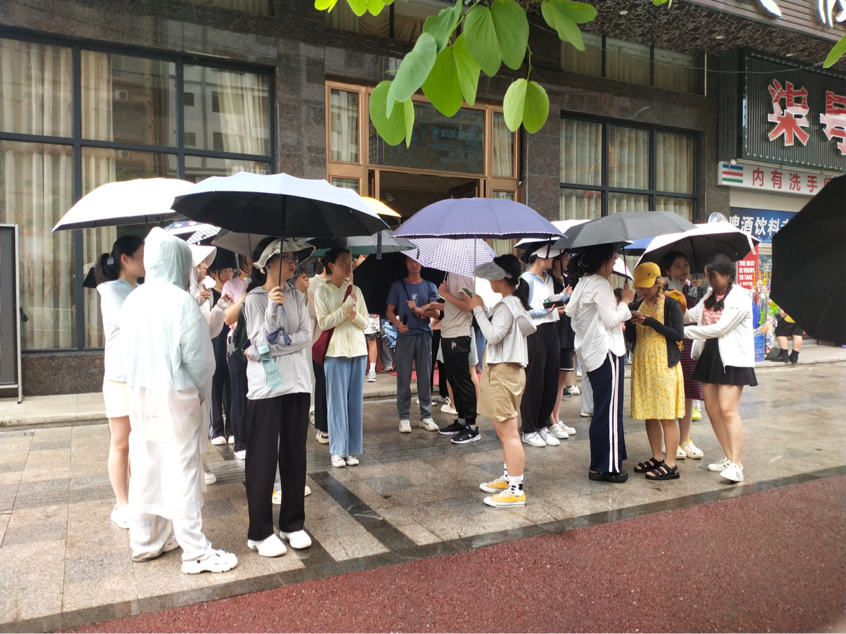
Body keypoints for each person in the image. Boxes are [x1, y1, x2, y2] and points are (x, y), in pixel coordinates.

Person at [121, 228, 237, 574]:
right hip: (178, 395)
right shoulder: (181, 301)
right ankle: (195, 550)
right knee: (183, 469)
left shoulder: (133, 300)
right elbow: (200, 361)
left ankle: (146, 541)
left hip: (140, 393)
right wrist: (199, 393)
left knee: (146, 464)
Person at [241, 238, 313, 557]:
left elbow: (306, 335)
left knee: (295, 455)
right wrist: (272, 309)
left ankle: (292, 524)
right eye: (288, 258)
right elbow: (259, 346)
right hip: (267, 388)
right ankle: (259, 531)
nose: (294, 263)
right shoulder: (255, 299)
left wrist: (279, 342)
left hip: (297, 384)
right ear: (269, 263)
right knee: (263, 458)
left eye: (295, 258)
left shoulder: (296, 294)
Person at [684, 254, 757, 483]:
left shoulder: (739, 296)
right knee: (713, 409)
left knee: (727, 409)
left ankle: (737, 464)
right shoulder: (710, 295)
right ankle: (728, 457)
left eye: (712, 277)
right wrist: (671, 303)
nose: (709, 281)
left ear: (727, 274)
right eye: (707, 277)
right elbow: (691, 315)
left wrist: (682, 332)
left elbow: (720, 328)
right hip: (710, 355)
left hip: (732, 358)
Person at [470, 256, 536, 508]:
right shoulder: (513, 302)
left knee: (509, 435)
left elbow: (494, 335)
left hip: (503, 373)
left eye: (491, 276)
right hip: (509, 372)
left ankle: (516, 490)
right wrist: (484, 310)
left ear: (500, 277)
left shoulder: (508, 304)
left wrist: (477, 309)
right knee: (507, 432)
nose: (488, 280)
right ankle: (510, 479)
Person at [566, 244, 634, 483]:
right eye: (613, 256)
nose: (615, 260)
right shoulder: (600, 284)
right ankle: (606, 467)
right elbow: (612, 319)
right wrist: (626, 301)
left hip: (593, 354)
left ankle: (610, 458)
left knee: (604, 409)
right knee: (609, 411)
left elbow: (577, 315)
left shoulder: (582, 283)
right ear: (603, 260)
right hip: (608, 352)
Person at [95, 235, 145, 529]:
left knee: (138, 441)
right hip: (119, 377)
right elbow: (135, 324)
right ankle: (121, 504)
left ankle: (137, 498)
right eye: (142, 255)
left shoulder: (138, 289)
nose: (147, 261)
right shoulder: (112, 290)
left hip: (139, 375)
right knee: (121, 441)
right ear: (125, 259)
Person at [627, 263, 685, 481]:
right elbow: (631, 338)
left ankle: (671, 464)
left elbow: (678, 334)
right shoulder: (637, 305)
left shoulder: (671, 304)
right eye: (640, 287)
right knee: (649, 414)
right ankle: (657, 456)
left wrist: (651, 322)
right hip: (643, 364)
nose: (644, 291)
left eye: (648, 286)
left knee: (666, 416)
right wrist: (629, 322)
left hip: (664, 366)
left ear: (658, 283)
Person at [314, 248, 369, 468]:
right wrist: (345, 308)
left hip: (358, 350)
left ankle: (352, 449)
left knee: (355, 403)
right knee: (336, 403)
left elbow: (366, 323)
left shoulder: (356, 290)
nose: (348, 266)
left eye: (350, 262)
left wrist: (354, 316)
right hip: (335, 352)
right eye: (343, 262)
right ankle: (337, 450)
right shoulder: (322, 291)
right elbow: (324, 322)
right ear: (331, 266)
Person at [386, 254, 441, 433]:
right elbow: (389, 311)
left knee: (425, 375)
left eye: (416, 260)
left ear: (421, 263)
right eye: (410, 261)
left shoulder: (430, 286)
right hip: (405, 335)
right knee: (403, 376)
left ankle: (426, 415)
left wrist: (419, 310)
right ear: (405, 263)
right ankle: (404, 417)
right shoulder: (397, 286)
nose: (413, 264)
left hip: (424, 334)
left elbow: (436, 313)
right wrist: (397, 324)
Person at [519, 246, 567, 448]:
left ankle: (541, 425)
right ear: (540, 256)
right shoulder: (525, 279)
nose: (554, 260)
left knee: (550, 380)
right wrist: (546, 311)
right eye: (552, 257)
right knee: (534, 381)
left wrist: (559, 301)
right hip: (535, 332)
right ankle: (528, 429)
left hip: (551, 329)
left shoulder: (548, 279)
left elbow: (548, 305)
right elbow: (523, 310)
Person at [660, 251, 705, 460]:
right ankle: (668, 440)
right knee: (669, 391)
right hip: (668, 344)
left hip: (689, 343)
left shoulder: (695, 289)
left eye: (685, 264)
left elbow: (697, 315)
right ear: (668, 270)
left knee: (688, 391)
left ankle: (685, 439)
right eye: (677, 266)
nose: (683, 269)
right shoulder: (662, 290)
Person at [436, 273, 479, 444]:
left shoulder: (461, 275)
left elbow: (470, 305)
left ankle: (471, 426)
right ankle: (461, 420)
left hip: (458, 334)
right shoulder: (450, 273)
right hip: (449, 332)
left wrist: (445, 294)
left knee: (462, 380)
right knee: (453, 379)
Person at [222, 255, 252, 460]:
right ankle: (240, 441)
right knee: (239, 391)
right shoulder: (231, 285)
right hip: (237, 343)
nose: (251, 265)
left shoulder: (263, 281)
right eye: (247, 262)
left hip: (257, 341)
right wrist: (246, 294)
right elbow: (228, 317)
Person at [208, 250, 236, 446]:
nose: (228, 275)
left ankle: (233, 429)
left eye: (231, 271)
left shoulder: (235, 293)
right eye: (224, 271)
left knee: (232, 391)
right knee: (215, 391)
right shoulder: (208, 295)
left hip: (231, 349)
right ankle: (217, 429)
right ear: (213, 274)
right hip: (214, 349)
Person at [549, 252, 577, 438]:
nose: (568, 261)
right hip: (554, 334)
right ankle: (550, 420)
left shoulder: (570, 281)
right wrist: (562, 296)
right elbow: (544, 304)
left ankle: (556, 418)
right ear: (556, 260)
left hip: (568, 333)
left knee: (561, 381)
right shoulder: (548, 282)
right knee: (552, 381)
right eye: (565, 257)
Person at [308, 258, 331, 445]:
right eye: (343, 262)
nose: (347, 266)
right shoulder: (313, 284)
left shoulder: (348, 285)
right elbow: (313, 313)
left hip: (341, 342)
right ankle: (322, 425)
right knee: (322, 383)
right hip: (320, 340)